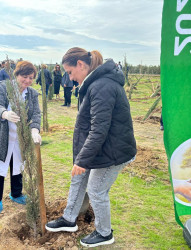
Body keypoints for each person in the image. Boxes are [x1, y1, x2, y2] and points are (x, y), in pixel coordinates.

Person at [45, 47, 137, 248]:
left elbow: (99, 130)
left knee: (96, 189)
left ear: (80, 64)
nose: (69, 78)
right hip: (102, 146)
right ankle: (69, 219)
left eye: (70, 72)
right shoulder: (94, 83)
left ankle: (105, 233)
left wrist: (83, 160)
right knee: (78, 178)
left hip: (114, 151)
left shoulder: (101, 86)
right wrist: (81, 158)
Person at [0, 61, 41, 214]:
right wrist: (5, 113)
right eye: (25, 77)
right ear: (17, 75)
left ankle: (16, 194)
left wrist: (34, 129)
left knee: (18, 166)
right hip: (0, 133)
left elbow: (35, 114)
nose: (28, 81)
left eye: (31, 78)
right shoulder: (2, 87)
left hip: (20, 136)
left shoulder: (32, 93)